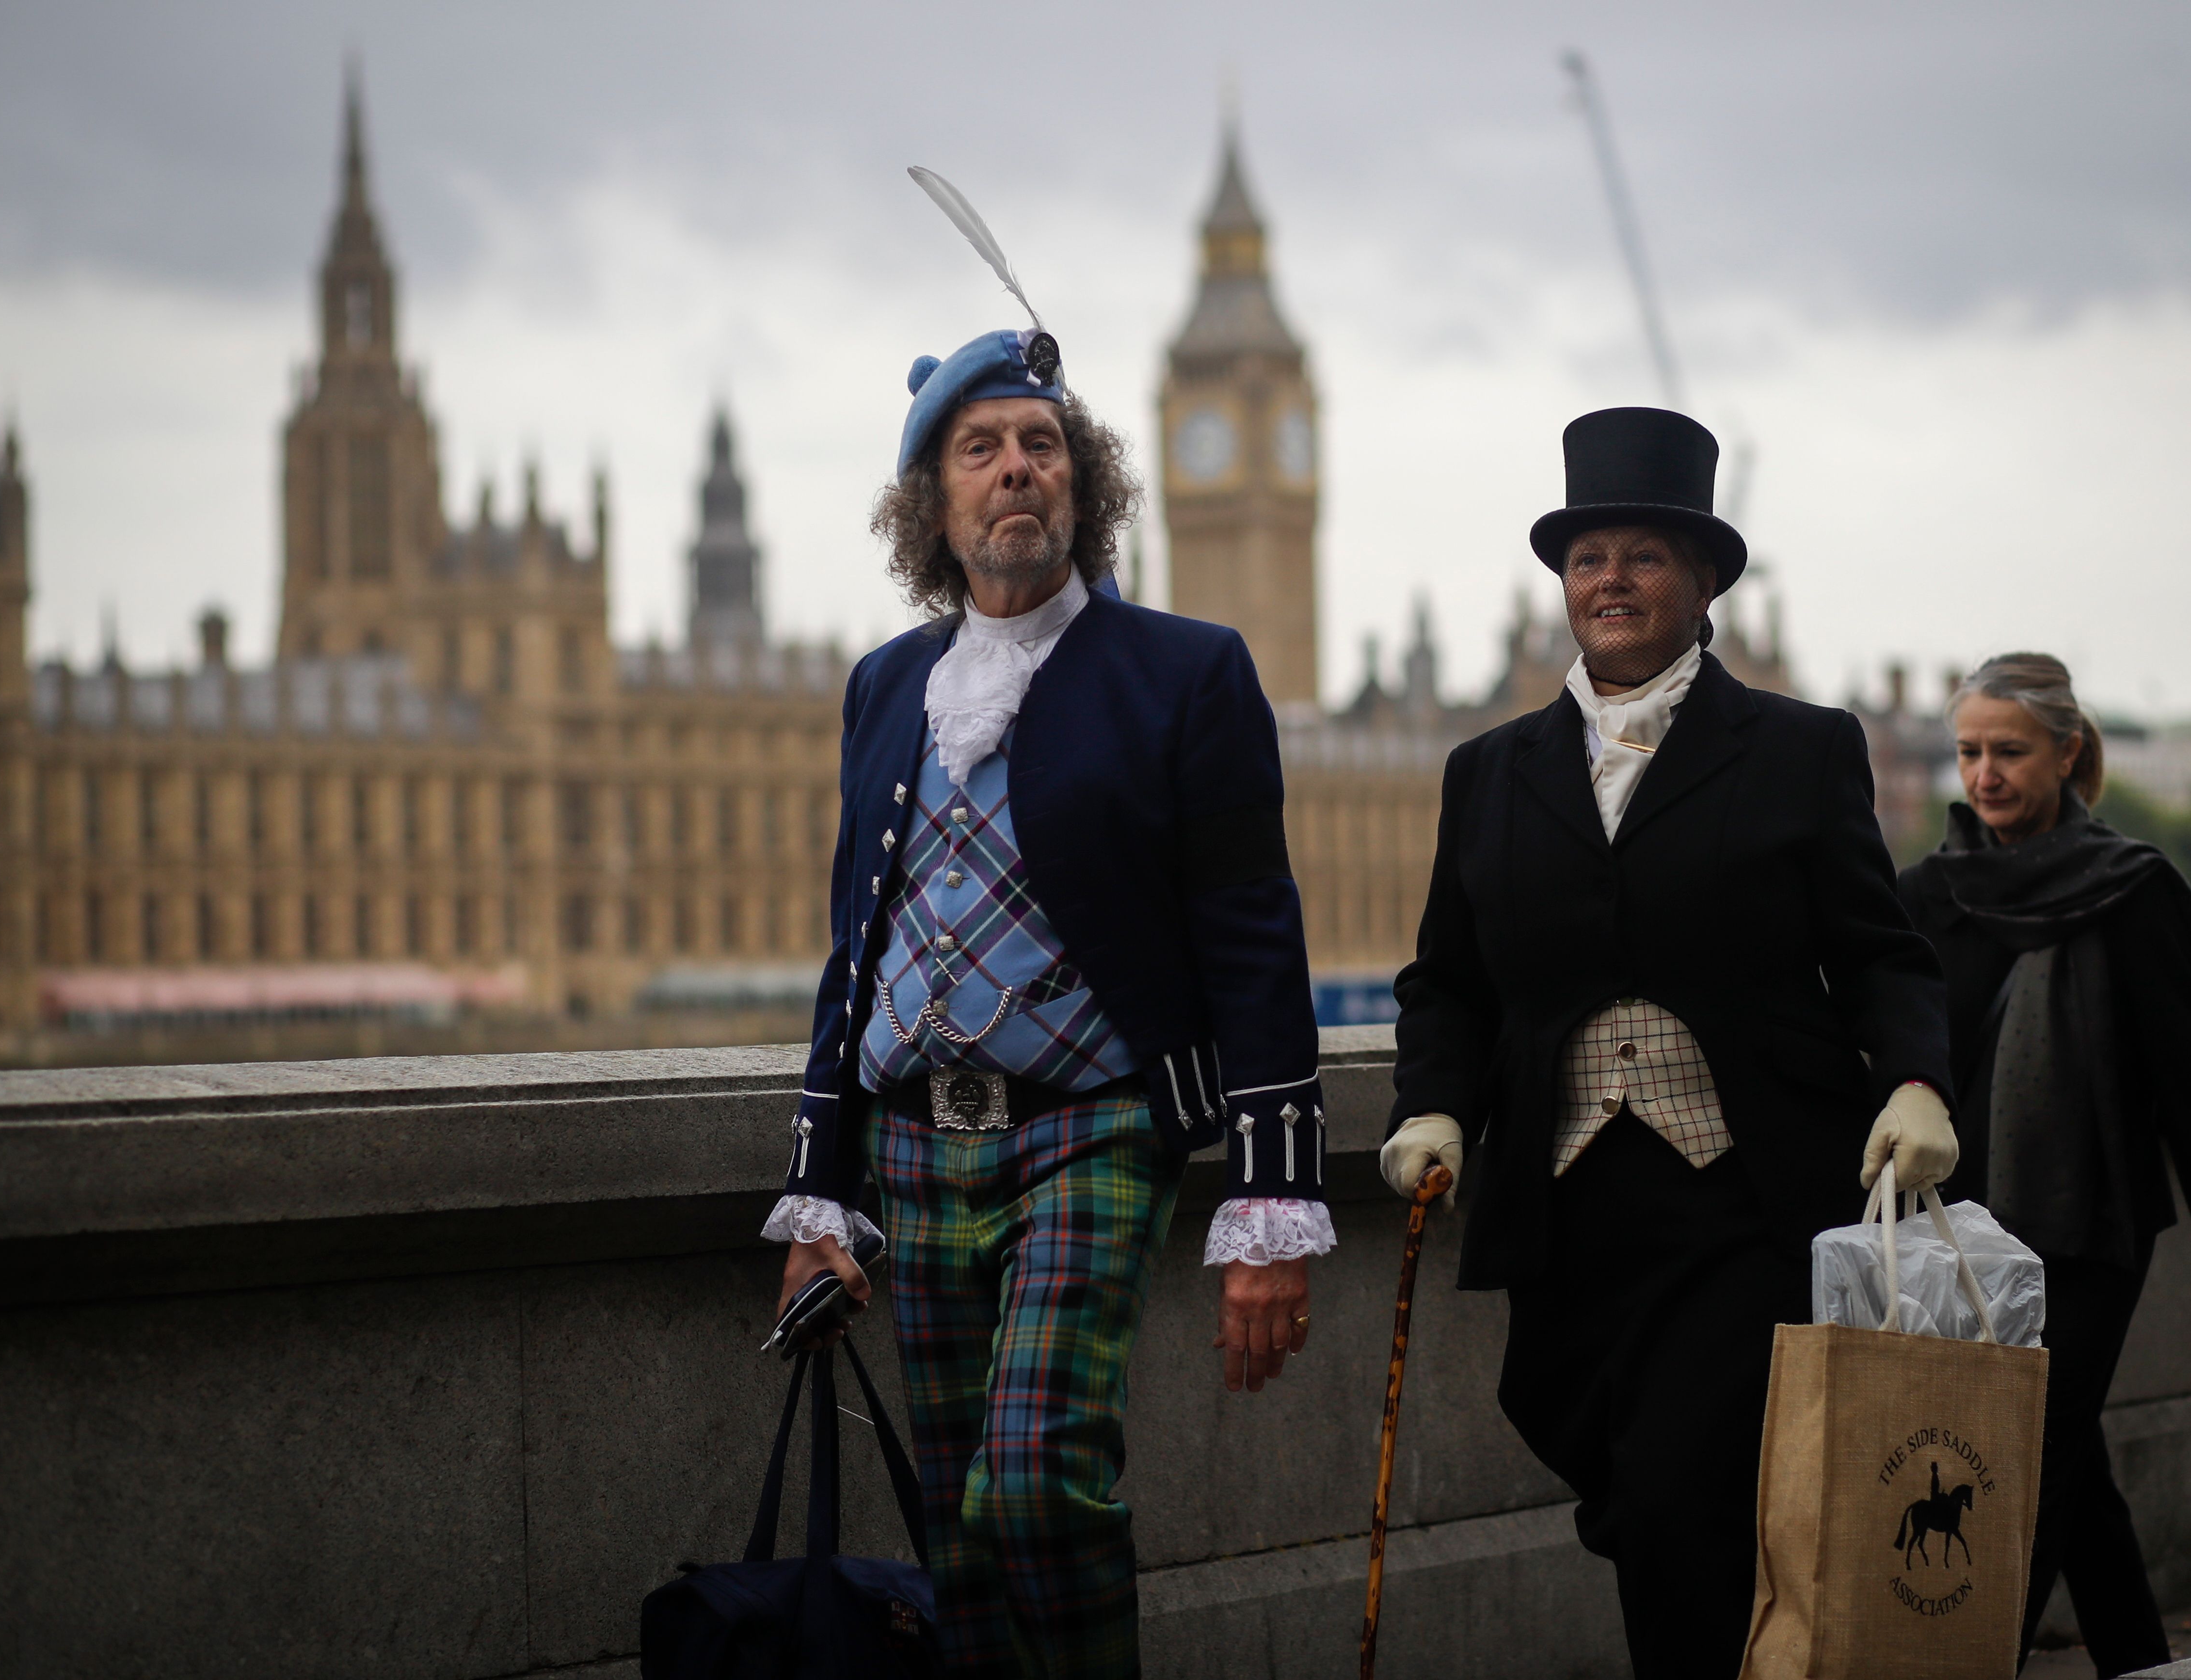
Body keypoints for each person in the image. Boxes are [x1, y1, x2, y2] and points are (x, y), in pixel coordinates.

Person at [757, 323, 1335, 1678]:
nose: (1018, 469)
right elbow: (857, 948)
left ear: (1085, 485)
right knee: (961, 1533)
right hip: (914, 1141)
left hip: (1090, 1125)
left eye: (1042, 445)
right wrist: (817, 1190)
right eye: (982, 450)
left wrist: (1274, 1204)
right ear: (932, 505)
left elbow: (1253, 932)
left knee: (1032, 1483)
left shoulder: (1183, 671)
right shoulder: (888, 685)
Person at [1379, 406, 1959, 1680]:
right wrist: (1433, 1106)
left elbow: (1880, 955)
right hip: (1567, 1201)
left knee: (1672, 1488)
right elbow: (1451, 983)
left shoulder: (1800, 752)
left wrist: (1916, 1081)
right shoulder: (1490, 770)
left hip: (1743, 1199)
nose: (1611, 581)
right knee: (1633, 1481)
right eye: (1588, 559)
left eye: (1644, 555)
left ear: (1705, 586)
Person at [1897, 651, 2191, 1677]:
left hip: (2087, 1225)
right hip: (1955, 1235)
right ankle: (2140, 1658)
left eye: (2008, 751)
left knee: (2022, 1460)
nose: (1982, 774)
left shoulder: (2135, 890)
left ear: (2067, 753)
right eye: (1968, 751)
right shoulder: (1926, 895)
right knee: (2070, 1465)